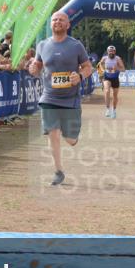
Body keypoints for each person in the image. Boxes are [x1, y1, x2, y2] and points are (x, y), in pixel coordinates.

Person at [28, 11, 93, 186]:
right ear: (51, 24)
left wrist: (80, 75)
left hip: (71, 99)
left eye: (61, 20)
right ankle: (58, 171)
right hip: (49, 97)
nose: (57, 22)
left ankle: (70, 134)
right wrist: (33, 69)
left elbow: (88, 67)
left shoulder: (76, 45)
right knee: (53, 133)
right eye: (54, 19)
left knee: (70, 140)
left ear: (68, 24)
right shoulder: (42, 45)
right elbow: (37, 66)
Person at [100, 45, 126, 118]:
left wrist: (117, 68)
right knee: (107, 91)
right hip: (107, 77)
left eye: (112, 51)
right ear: (107, 52)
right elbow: (100, 64)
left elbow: (123, 69)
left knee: (115, 95)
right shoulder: (104, 58)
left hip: (115, 78)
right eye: (110, 51)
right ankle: (108, 109)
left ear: (115, 52)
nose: (111, 52)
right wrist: (102, 70)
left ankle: (114, 110)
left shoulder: (118, 59)